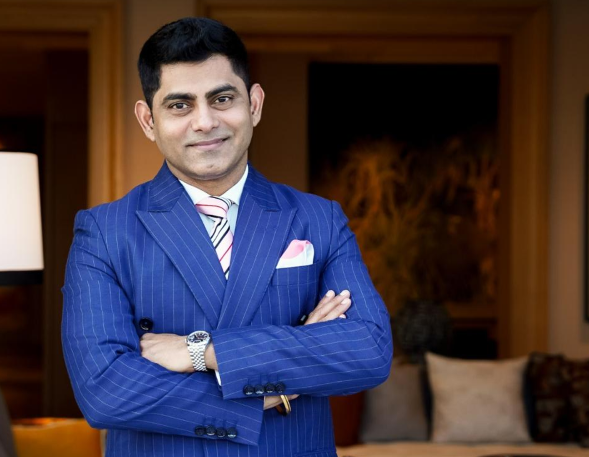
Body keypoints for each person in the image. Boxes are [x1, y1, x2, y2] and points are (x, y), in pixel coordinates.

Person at [62, 17, 392, 457]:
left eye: (222, 99)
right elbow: (105, 390)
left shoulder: (319, 219)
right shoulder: (104, 232)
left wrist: (201, 351)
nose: (204, 122)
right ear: (148, 120)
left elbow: (367, 350)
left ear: (253, 104)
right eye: (180, 105)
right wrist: (273, 392)